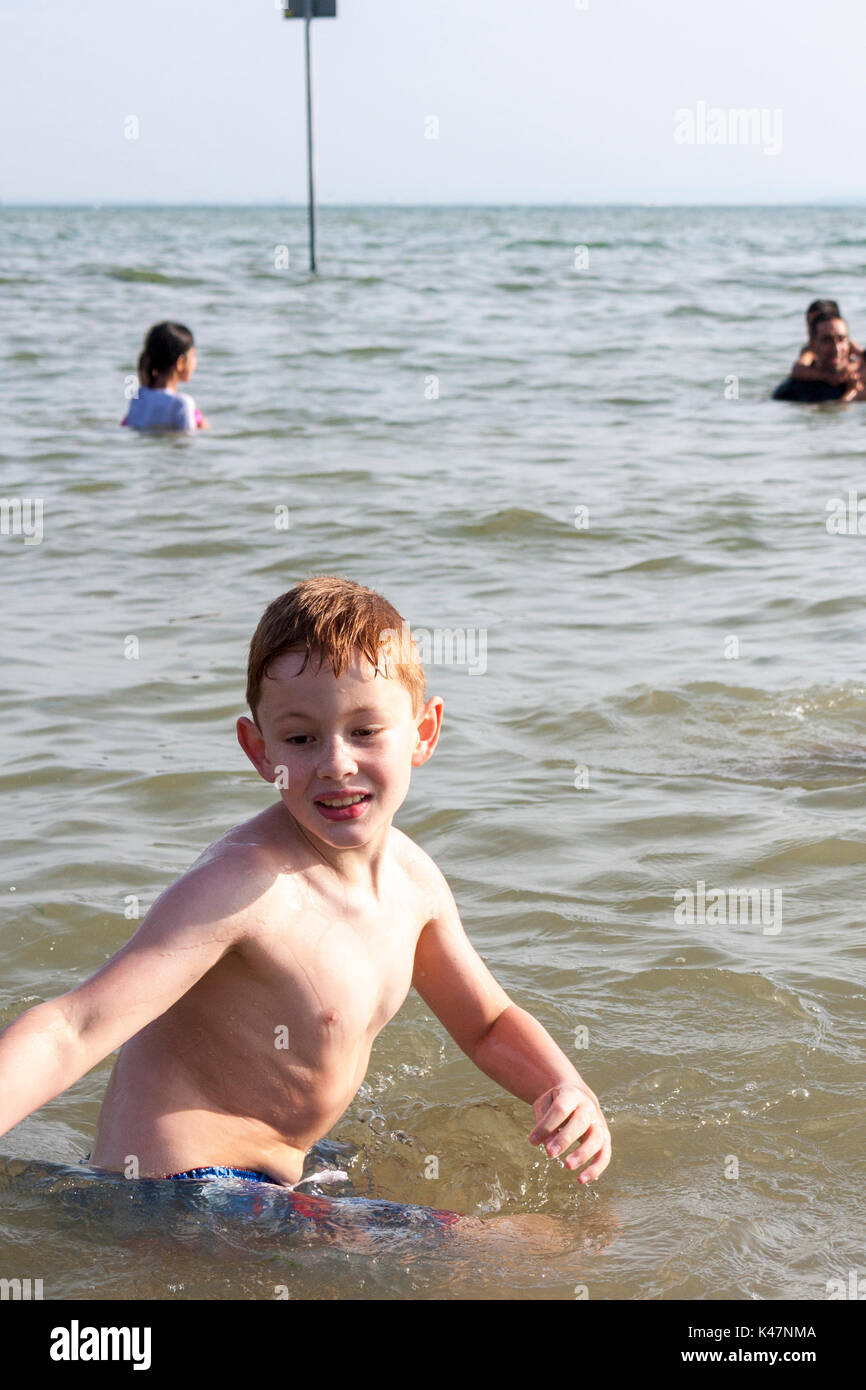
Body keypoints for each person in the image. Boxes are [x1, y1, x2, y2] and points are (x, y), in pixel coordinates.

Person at [0, 577, 610, 1212]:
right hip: (182, 1196)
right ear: (259, 750)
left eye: (366, 730)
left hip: (274, 1178)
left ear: (424, 733)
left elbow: (486, 1026)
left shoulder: (413, 881)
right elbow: (74, 1028)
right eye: (300, 738)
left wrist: (564, 1086)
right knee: (530, 1252)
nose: (335, 762)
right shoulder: (245, 887)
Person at [122, 322, 209, 432]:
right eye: (193, 356)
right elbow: (187, 441)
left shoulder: (137, 397)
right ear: (181, 362)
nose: (195, 361)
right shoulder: (182, 403)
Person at [773, 302, 864, 402]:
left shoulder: (858, 379)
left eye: (842, 339)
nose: (836, 348)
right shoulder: (792, 391)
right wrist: (851, 394)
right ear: (812, 343)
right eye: (827, 340)